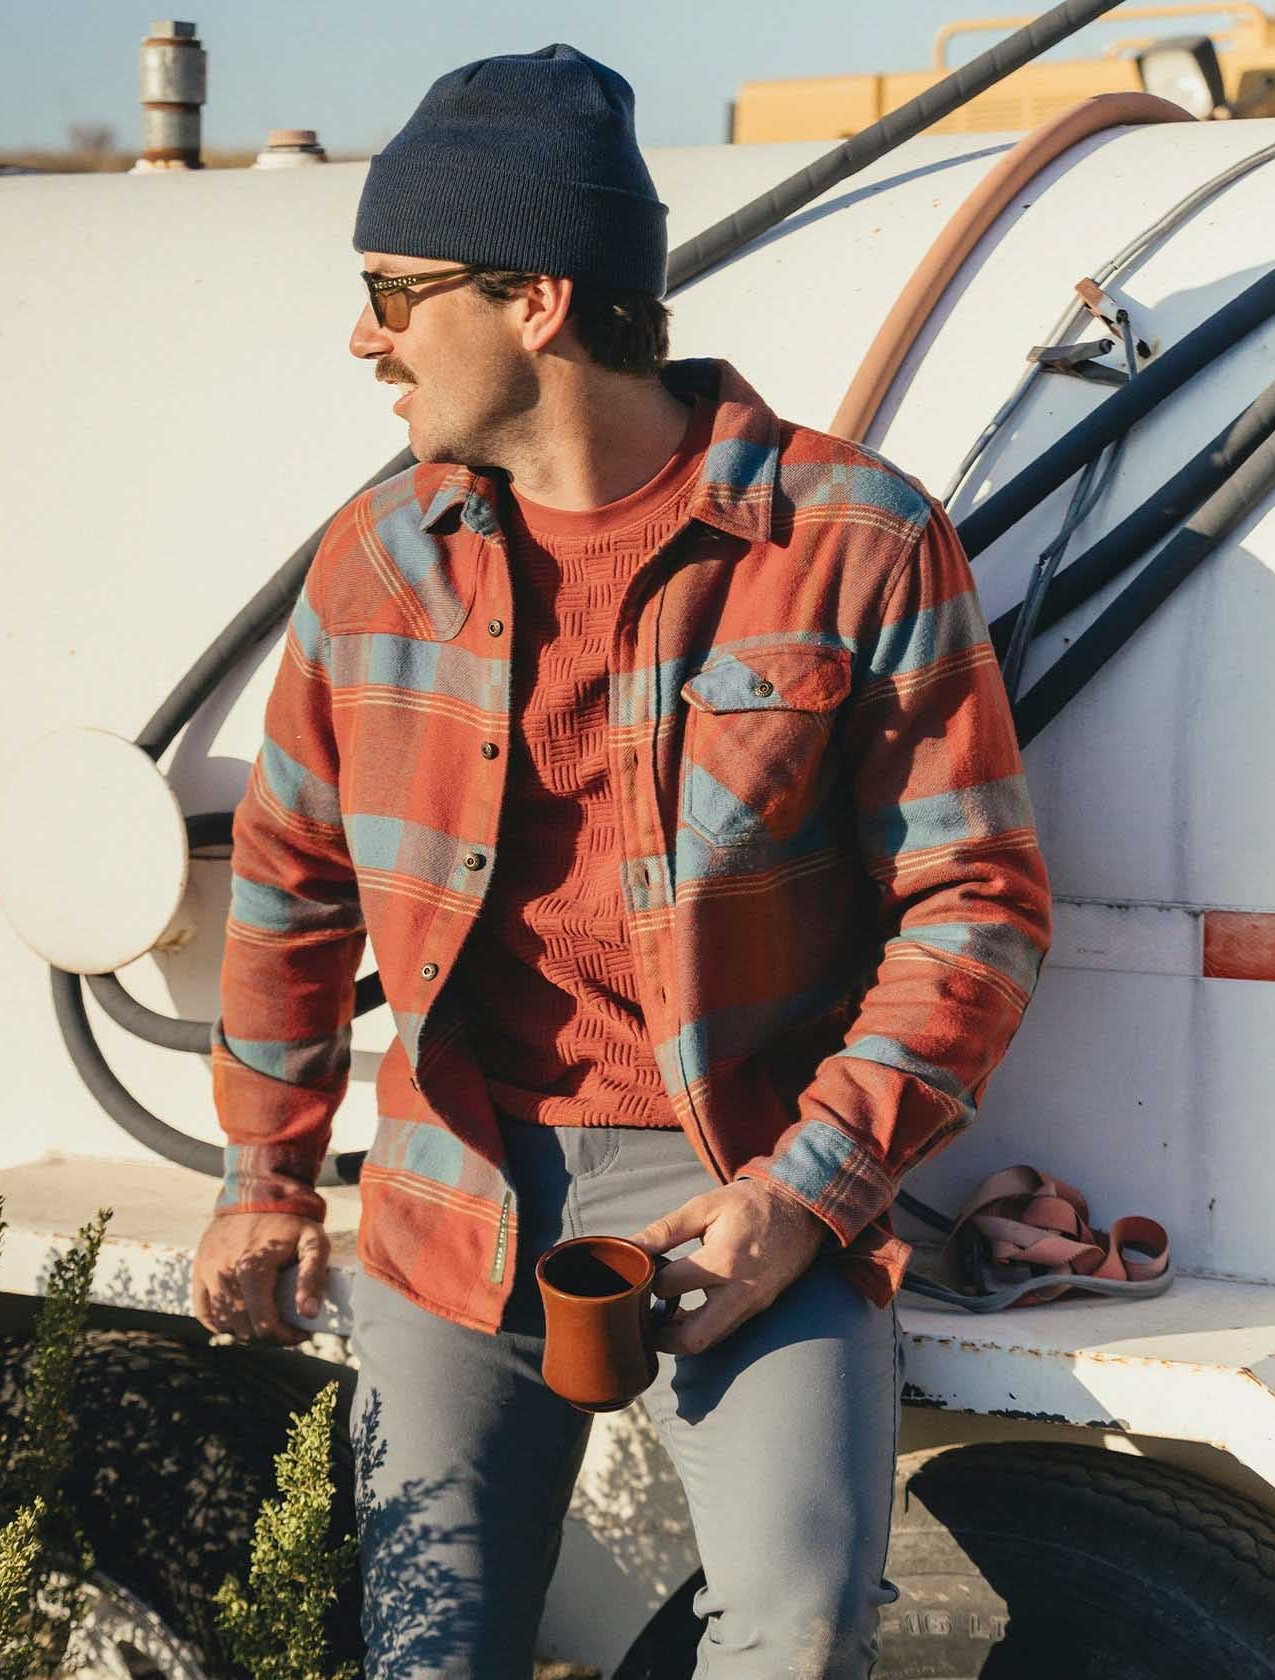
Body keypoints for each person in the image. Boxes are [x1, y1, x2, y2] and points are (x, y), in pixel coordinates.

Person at [191, 42, 1051, 1679]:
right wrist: (266, 1177)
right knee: (428, 1653)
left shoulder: (854, 540)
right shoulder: (380, 563)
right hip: (454, 1177)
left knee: (796, 1631)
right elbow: (293, 881)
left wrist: (799, 1198)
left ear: (535, 300)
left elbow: (975, 906)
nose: (366, 337)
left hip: (740, 1170)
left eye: (393, 292)